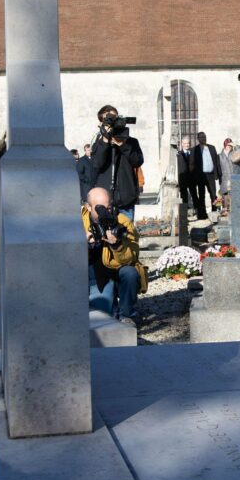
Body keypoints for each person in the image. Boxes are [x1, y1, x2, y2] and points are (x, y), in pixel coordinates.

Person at [83, 186, 146, 325]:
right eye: (100, 208)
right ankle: (113, 308)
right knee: (103, 316)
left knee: (131, 273)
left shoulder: (122, 221)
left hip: (117, 269)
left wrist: (116, 245)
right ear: (88, 207)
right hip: (95, 273)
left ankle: (126, 313)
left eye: (108, 207)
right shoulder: (79, 222)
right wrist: (83, 242)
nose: (106, 212)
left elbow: (132, 257)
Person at [91, 105, 144, 220]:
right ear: (101, 124)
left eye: (114, 118)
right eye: (108, 120)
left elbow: (137, 161)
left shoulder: (131, 142)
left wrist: (123, 145)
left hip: (126, 200)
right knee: (105, 237)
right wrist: (105, 141)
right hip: (105, 202)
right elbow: (97, 164)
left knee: (127, 236)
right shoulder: (99, 143)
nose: (112, 123)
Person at [177, 137, 206, 220]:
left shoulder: (192, 153)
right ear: (182, 143)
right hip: (183, 180)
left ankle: (199, 214)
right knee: (184, 198)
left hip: (192, 179)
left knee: (195, 197)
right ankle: (184, 218)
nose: (187, 145)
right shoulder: (179, 154)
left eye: (188, 143)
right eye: (185, 143)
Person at [195, 132, 222, 210]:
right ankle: (202, 213)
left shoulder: (212, 148)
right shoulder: (195, 149)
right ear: (198, 139)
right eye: (201, 137)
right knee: (201, 194)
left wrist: (217, 174)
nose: (203, 138)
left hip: (211, 175)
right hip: (201, 175)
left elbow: (216, 161)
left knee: (213, 193)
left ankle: (215, 210)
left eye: (204, 137)